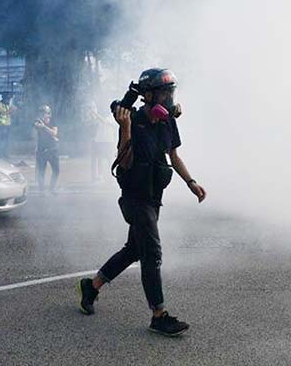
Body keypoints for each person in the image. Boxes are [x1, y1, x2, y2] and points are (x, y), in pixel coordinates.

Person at [76, 68, 207, 337]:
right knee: (152, 253)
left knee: (134, 249)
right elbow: (124, 162)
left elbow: (173, 155)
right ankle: (158, 316)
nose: (169, 99)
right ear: (148, 96)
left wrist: (191, 182)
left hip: (154, 196)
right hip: (135, 198)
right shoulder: (133, 122)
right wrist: (125, 128)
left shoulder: (168, 121)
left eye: (171, 93)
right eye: (164, 93)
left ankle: (92, 286)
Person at [34, 104, 60, 195]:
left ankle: (52, 188)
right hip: (42, 150)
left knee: (56, 170)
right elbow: (37, 126)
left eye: (44, 113)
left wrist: (44, 127)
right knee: (41, 171)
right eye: (41, 112)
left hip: (53, 149)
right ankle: (41, 190)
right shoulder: (38, 121)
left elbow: (54, 133)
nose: (42, 114)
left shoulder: (53, 121)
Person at [0, 92, 16, 159]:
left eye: (9, 99)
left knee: (6, 141)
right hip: (1, 125)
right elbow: (4, 113)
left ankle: (5, 154)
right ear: (4, 98)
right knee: (2, 141)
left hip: (7, 125)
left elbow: (11, 113)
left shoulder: (7, 105)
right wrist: (11, 110)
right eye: (8, 99)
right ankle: (0, 154)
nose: (9, 101)